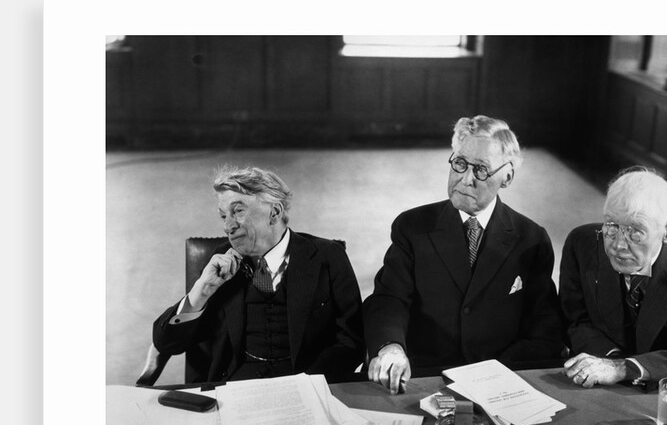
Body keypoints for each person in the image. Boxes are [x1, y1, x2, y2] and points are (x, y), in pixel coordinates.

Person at [364, 115, 564, 395]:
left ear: (507, 177)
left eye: (481, 169)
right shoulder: (412, 226)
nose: (465, 179)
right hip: (422, 378)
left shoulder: (531, 239)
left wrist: (496, 374)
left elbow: (545, 327)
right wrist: (391, 347)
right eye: (460, 163)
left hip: (500, 380)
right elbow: (389, 299)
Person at [152, 165, 364, 382]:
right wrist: (202, 290)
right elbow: (166, 343)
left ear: (274, 212)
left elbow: (352, 340)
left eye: (238, 211)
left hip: (307, 383)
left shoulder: (327, 256)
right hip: (235, 386)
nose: (228, 226)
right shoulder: (219, 260)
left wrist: (310, 383)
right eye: (223, 216)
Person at [559, 166, 667, 388]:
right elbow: (574, 319)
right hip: (601, 378)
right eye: (612, 225)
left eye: (635, 231)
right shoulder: (582, 243)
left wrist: (625, 368)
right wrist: (610, 360)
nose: (618, 245)